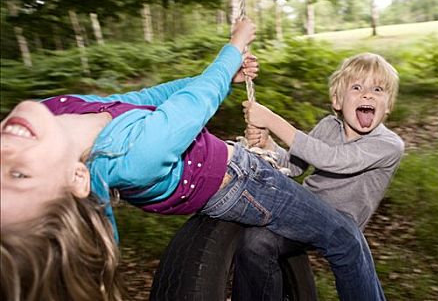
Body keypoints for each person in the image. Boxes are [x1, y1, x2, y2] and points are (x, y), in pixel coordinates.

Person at [1, 18, 384, 301]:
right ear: (76, 177)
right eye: (19, 175)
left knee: (257, 246)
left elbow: (152, 97)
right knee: (344, 237)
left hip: (241, 173)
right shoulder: (133, 158)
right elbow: (190, 107)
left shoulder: (60, 109)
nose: (5, 151)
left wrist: (226, 77)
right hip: (244, 184)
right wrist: (233, 48)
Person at [233, 52, 404, 300]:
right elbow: (293, 166)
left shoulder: (388, 145)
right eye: (357, 87)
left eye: (378, 89)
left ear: (387, 106)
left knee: (350, 244)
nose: (367, 94)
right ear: (337, 100)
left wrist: (272, 121)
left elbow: (332, 160)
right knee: (255, 242)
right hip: (305, 211)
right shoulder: (327, 127)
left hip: (341, 221)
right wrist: (268, 145)